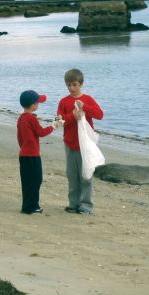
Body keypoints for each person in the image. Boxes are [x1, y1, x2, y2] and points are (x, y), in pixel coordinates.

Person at [57, 68, 104, 214]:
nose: (71, 88)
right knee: (72, 175)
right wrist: (72, 116)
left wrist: (85, 107)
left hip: (86, 144)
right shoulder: (64, 101)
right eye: (68, 85)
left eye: (74, 84)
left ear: (81, 84)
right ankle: (73, 204)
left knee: (86, 175)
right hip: (70, 143)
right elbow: (58, 121)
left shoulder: (87, 99)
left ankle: (86, 205)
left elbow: (100, 115)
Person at [17, 90, 58, 214]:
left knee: (27, 182)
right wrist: (54, 126)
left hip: (24, 154)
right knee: (36, 180)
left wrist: (24, 146)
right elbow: (41, 132)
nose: (39, 104)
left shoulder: (21, 118)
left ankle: (28, 206)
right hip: (32, 155)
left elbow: (19, 137)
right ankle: (32, 206)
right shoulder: (31, 118)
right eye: (38, 102)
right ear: (33, 105)